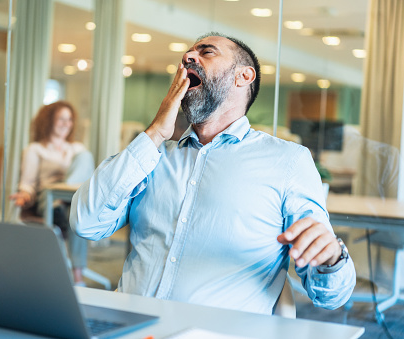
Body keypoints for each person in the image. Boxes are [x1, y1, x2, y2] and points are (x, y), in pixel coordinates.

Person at [70, 32, 356, 314]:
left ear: (244, 76)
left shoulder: (288, 161)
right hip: (130, 327)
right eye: (187, 55)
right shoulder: (153, 156)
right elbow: (86, 222)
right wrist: (155, 132)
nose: (188, 58)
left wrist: (331, 258)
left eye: (206, 52)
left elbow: (330, 297)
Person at [11, 101, 94, 285]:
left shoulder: (77, 149)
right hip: (47, 200)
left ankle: (77, 276)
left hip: (72, 199)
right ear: (49, 121)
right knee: (76, 212)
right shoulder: (35, 149)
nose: (66, 123)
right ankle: (64, 202)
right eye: (61, 119)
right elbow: (28, 183)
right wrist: (24, 194)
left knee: (78, 217)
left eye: (70, 119)